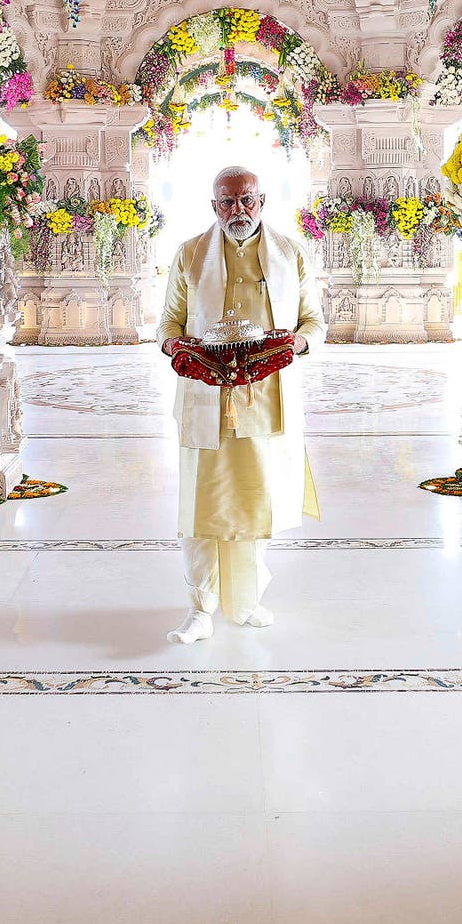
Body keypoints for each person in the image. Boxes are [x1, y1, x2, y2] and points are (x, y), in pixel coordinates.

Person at [158, 166, 326, 643]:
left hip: (265, 396)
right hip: (205, 393)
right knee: (202, 504)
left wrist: (295, 345)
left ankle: (247, 599)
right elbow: (168, 325)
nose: (238, 210)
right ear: (214, 206)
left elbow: (314, 321)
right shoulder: (190, 254)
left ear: (263, 200)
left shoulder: (289, 253)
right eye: (227, 202)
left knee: (254, 502)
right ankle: (199, 607)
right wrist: (178, 350)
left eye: (246, 200)